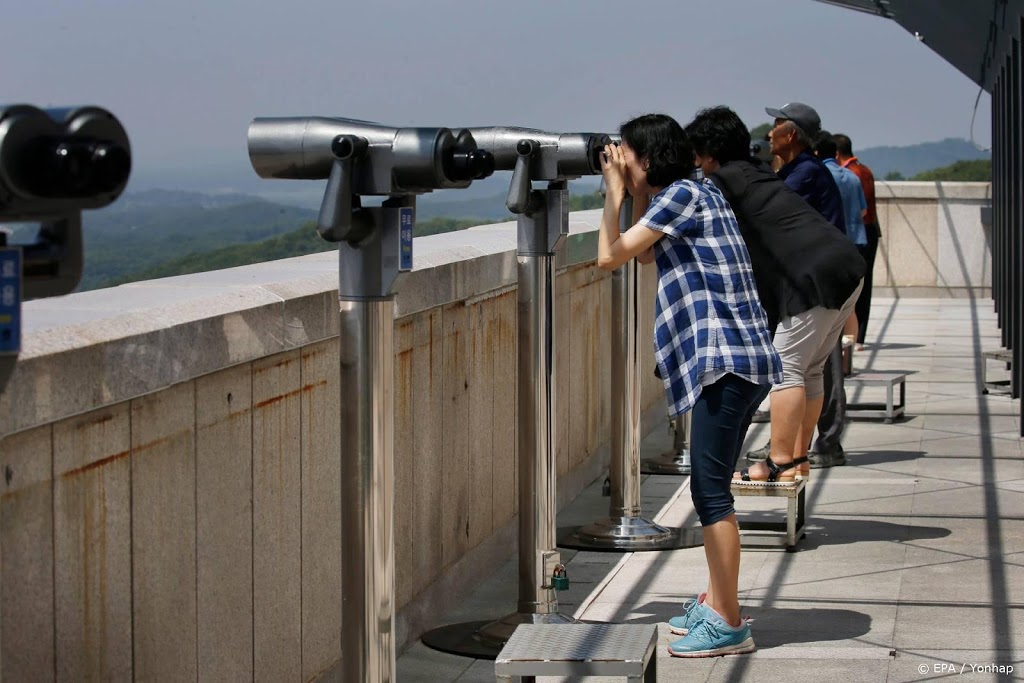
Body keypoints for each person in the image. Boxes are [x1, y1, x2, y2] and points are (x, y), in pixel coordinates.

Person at [597, 113, 781, 658]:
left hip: (725, 361)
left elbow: (609, 256)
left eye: (624, 154)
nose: (618, 161)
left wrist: (612, 193)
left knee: (710, 493)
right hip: (738, 358)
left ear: (647, 159)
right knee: (712, 486)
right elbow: (647, 251)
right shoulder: (693, 191)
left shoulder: (679, 195)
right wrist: (629, 190)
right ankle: (717, 600)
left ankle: (728, 623)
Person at [682, 106, 864, 485]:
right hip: (844, 264)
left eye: (696, 154)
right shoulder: (757, 171)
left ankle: (779, 461)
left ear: (709, 154)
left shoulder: (721, 184)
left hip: (813, 274)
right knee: (810, 369)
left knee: (788, 369)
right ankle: (798, 458)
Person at [814, 131, 867, 348]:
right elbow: (863, 211)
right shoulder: (853, 177)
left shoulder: (820, 174)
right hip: (857, 240)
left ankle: (834, 351)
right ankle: (851, 348)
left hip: (832, 242)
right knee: (850, 302)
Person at [834, 133, 880, 350]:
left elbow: (859, 210)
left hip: (860, 232)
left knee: (856, 288)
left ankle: (855, 335)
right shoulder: (865, 170)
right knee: (865, 285)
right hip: (870, 230)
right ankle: (859, 334)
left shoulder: (851, 173)